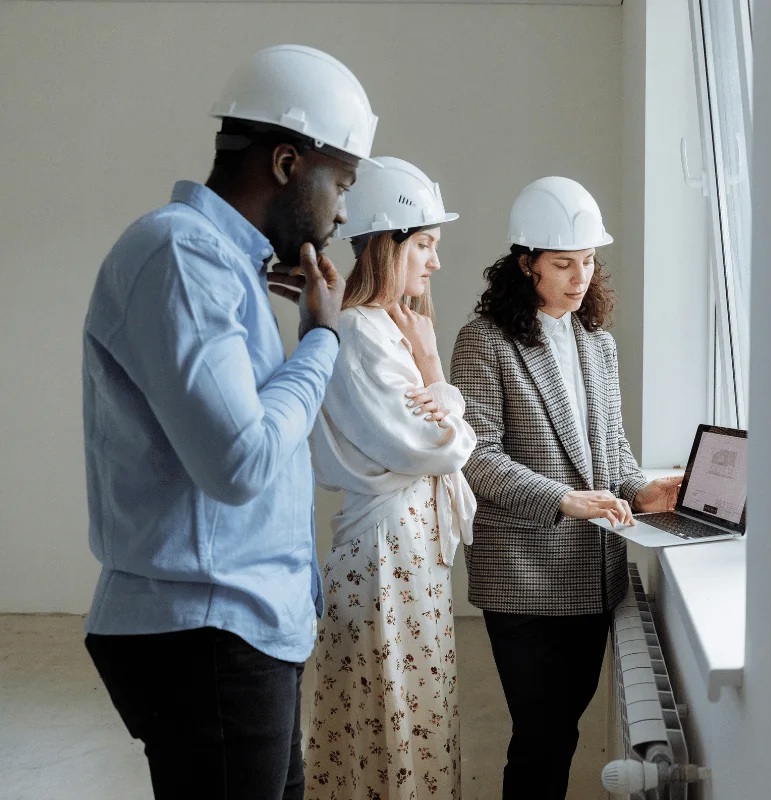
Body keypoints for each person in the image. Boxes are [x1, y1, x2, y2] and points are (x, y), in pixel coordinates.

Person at [81, 44, 377, 800]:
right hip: (205, 635)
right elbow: (240, 463)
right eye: (340, 182)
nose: (344, 211)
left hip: (234, 632)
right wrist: (319, 339)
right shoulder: (181, 251)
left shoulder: (219, 264)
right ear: (286, 163)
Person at [450, 177, 683, 800]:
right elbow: (477, 457)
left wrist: (645, 493)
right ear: (526, 264)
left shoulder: (596, 345)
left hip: (591, 571)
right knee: (540, 734)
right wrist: (562, 500)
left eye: (587, 262)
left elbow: (612, 458)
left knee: (562, 733)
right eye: (563, 264)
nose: (579, 278)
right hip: (522, 573)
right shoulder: (484, 340)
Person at [303, 157, 477, 800]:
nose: (433, 263)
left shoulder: (388, 327)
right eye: (425, 246)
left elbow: (442, 437)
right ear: (386, 245)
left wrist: (439, 389)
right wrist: (437, 375)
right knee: (386, 711)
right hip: (384, 548)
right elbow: (434, 444)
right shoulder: (361, 331)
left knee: (413, 707)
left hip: (404, 546)